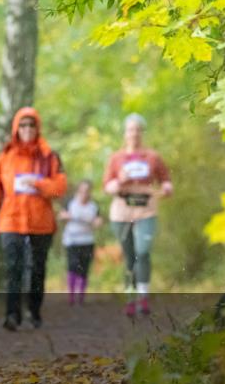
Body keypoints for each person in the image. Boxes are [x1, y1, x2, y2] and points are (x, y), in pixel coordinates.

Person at [0, 107, 67, 330]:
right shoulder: (6, 157)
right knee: (13, 268)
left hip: (41, 222)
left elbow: (60, 187)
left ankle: (34, 311)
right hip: (11, 219)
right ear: (16, 129)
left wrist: (38, 184)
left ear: (38, 128)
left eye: (31, 125)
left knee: (37, 268)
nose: (27, 129)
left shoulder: (50, 157)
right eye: (23, 125)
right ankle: (12, 315)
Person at [101, 113, 172, 316]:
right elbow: (107, 186)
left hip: (146, 208)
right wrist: (119, 181)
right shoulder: (116, 158)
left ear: (143, 132)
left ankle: (143, 297)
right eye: (130, 130)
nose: (134, 134)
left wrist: (166, 188)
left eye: (138, 129)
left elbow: (165, 178)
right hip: (122, 210)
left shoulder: (152, 157)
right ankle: (130, 297)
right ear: (125, 133)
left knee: (143, 251)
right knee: (129, 256)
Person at [58, 179, 103, 306]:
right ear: (78, 191)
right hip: (72, 240)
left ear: (90, 192)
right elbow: (61, 215)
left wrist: (95, 222)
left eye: (87, 191)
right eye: (82, 190)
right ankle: (71, 296)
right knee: (72, 266)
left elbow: (98, 221)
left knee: (84, 269)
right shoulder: (70, 203)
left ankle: (81, 297)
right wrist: (67, 216)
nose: (84, 193)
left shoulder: (93, 206)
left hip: (87, 241)